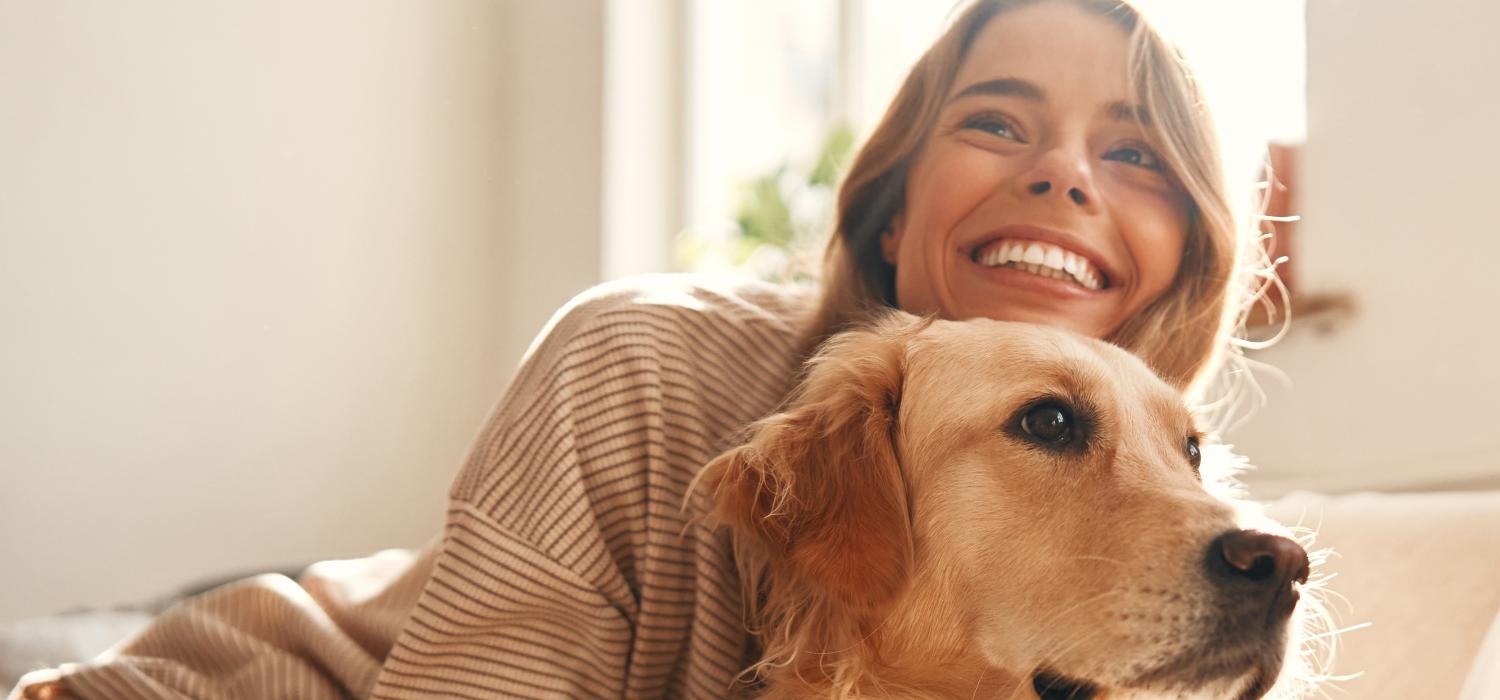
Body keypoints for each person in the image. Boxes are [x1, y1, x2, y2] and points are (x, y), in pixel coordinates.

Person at [13, 1, 1269, 698]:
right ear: (890, 215)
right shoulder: (642, 360)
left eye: (1136, 153)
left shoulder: (1153, 514)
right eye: (998, 122)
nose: (1061, 173)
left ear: (1184, 268)